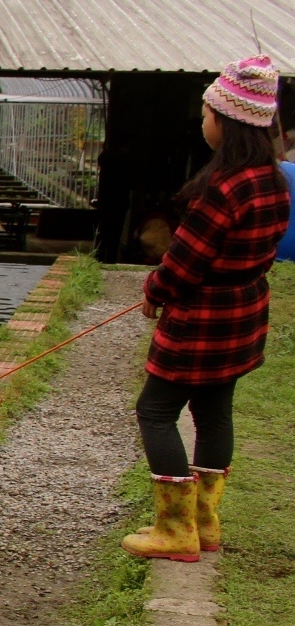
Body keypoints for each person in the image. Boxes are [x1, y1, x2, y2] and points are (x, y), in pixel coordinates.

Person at [124, 56, 291, 561]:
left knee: (154, 411)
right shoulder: (275, 181)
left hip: (204, 317)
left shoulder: (222, 190)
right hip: (246, 310)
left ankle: (176, 529)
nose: (202, 121)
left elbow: (182, 264)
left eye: (206, 113)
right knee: (215, 411)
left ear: (228, 122)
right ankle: (206, 523)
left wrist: (155, 290)